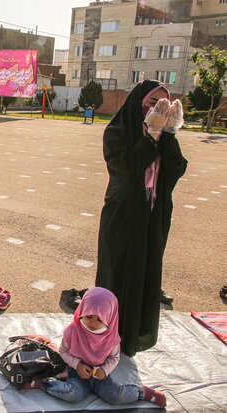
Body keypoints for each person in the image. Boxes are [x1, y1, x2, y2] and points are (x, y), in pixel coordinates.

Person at [95, 79, 187, 357]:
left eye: (164, 103)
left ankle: (134, 335)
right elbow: (126, 168)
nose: (158, 108)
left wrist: (167, 133)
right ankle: (104, 334)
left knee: (146, 272)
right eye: (152, 102)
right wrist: (151, 137)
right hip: (122, 215)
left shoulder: (164, 135)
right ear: (138, 102)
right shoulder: (118, 131)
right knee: (118, 272)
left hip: (153, 215)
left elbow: (176, 170)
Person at [33, 288, 166, 407]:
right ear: (82, 310)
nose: (93, 322)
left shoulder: (111, 338)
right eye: (89, 316)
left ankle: (142, 393)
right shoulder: (73, 331)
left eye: (99, 319)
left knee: (115, 397)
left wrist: (104, 370)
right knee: (73, 395)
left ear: (110, 318)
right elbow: (63, 351)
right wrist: (78, 365)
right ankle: (42, 383)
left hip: (99, 375)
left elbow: (114, 358)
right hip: (76, 372)